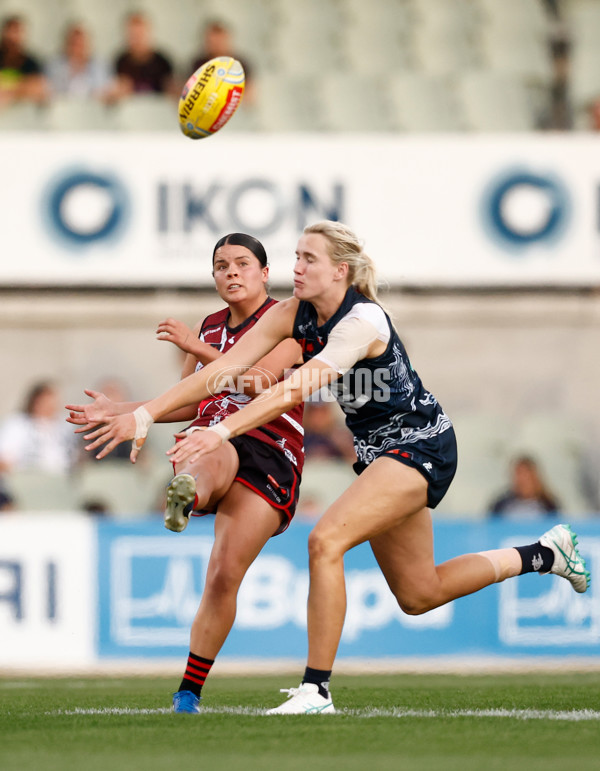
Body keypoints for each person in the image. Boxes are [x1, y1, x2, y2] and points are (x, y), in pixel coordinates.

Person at [81, 220, 591, 715]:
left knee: (324, 541)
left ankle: (316, 689)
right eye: (297, 256)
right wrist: (143, 414)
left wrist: (219, 431)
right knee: (419, 593)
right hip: (378, 454)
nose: (297, 266)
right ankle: (544, 554)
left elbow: (292, 389)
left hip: (422, 445)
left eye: (309, 258)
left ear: (341, 271)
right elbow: (219, 374)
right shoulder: (293, 313)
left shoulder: (362, 321)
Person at [67, 233, 304, 714]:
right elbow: (193, 400)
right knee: (208, 440)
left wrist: (197, 348)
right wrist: (127, 411)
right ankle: (189, 491)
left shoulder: (290, 321)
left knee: (223, 574)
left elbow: (259, 383)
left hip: (271, 448)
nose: (231, 272)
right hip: (215, 439)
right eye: (221, 266)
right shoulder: (211, 325)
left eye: (242, 264)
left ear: (264, 272)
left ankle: (189, 689)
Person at [0, 380, 76, 474]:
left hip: (63, 480)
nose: (50, 405)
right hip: (28, 479)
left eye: (53, 400)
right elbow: (5, 459)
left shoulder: (67, 426)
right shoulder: (17, 425)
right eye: (44, 400)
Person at [106, 12, 175, 103]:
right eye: (133, 35)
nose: (137, 39)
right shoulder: (120, 61)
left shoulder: (163, 62)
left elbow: (171, 90)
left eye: (140, 34)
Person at [190, 19, 254, 103]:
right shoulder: (198, 64)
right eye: (212, 41)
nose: (216, 45)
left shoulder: (241, 64)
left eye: (219, 40)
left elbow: (250, 95)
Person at [45, 22, 111, 100]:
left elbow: (105, 91)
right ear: (66, 43)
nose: (76, 48)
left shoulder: (100, 66)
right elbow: (49, 91)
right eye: (73, 43)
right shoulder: (54, 66)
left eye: (80, 43)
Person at [489, 455, 560, 519]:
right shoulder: (502, 504)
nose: (521, 479)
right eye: (518, 474)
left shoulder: (548, 504)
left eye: (525, 474)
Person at [0, 15, 47, 109]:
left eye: (16, 32)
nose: (12, 37)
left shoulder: (31, 63)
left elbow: (38, 87)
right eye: (10, 32)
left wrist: (11, 93)